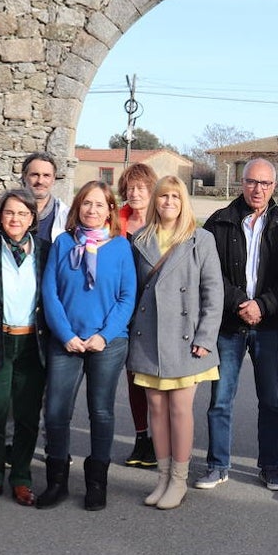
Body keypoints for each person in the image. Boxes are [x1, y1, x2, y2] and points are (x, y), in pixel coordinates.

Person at [197, 158, 278, 491]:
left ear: (274, 187)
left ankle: (270, 467)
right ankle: (217, 465)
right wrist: (242, 303)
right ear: (242, 182)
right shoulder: (219, 222)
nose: (258, 189)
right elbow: (210, 274)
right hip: (229, 324)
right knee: (220, 399)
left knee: (270, 401)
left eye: (266, 184)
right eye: (252, 182)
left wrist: (263, 306)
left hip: (268, 326)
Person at [40, 181, 136, 510]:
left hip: (106, 343)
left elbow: (127, 297)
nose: (92, 210)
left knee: (101, 412)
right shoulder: (63, 243)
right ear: (77, 208)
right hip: (66, 340)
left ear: (111, 210)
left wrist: (104, 335)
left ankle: (97, 482)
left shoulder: (121, 248)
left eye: (99, 204)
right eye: (86, 204)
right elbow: (50, 292)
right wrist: (66, 334)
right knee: (56, 412)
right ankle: (57, 481)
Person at [127, 176, 222, 510]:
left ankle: (179, 481)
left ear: (184, 201)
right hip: (149, 336)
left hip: (187, 339)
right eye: (163, 196)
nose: (169, 201)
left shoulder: (201, 239)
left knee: (180, 410)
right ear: (155, 201)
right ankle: (163, 477)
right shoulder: (140, 238)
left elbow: (213, 292)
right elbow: (134, 291)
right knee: (155, 409)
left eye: (175, 196)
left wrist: (205, 338)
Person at [0, 189, 49, 507]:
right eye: (9, 212)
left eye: (22, 213)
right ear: (0, 217)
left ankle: (21, 478)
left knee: (28, 415)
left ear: (32, 219)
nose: (15, 219)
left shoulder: (46, 251)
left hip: (33, 343)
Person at [117, 162, 159, 469]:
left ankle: (160, 440)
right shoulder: (115, 221)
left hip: (154, 310)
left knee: (155, 378)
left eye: (141, 187)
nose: (135, 193)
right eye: (130, 188)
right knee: (133, 378)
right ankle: (141, 437)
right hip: (123, 310)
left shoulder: (163, 222)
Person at [0, 151, 69, 244]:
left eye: (46, 175)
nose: (40, 181)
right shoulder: (5, 215)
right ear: (24, 176)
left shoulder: (66, 217)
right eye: (35, 175)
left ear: (53, 179)